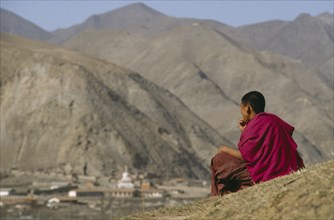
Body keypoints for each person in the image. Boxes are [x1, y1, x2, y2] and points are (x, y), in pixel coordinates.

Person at [211, 91, 304, 196]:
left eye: (241, 108)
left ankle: (218, 196)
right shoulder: (272, 119)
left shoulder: (256, 124)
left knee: (218, 160)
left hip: (270, 172)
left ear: (247, 108)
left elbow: (246, 155)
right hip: (290, 167)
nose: (241, 112)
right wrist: (246, 131)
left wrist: (224, 149)